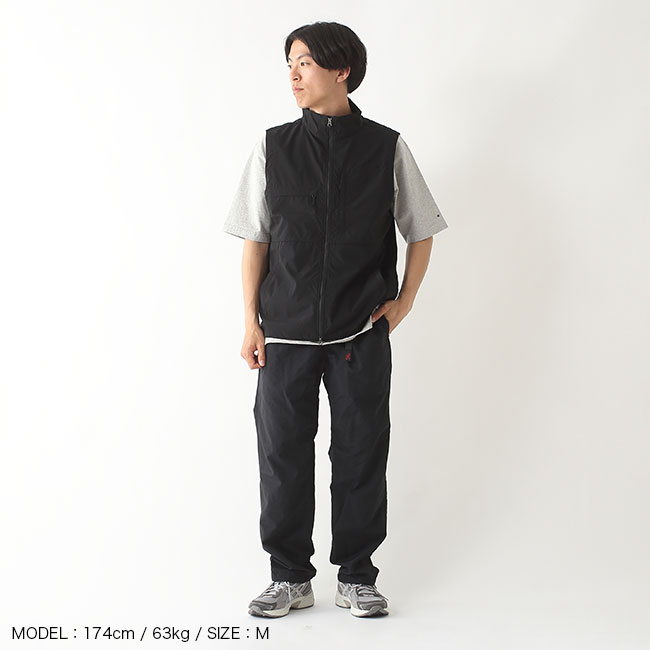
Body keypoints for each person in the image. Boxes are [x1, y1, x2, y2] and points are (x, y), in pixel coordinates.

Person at [222, 21, 448, 618]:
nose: (293, 75)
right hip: (284, 335)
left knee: (360, 452)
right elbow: (255, 240)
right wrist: (250, 322)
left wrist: (403, 302)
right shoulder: (272, 147)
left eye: (304, 63)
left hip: (359, 333)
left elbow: (422, 228)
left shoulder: (385, 147)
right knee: (282, 457)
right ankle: (289, 577)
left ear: (340, 70)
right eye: (289, 64)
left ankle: (357, 575)